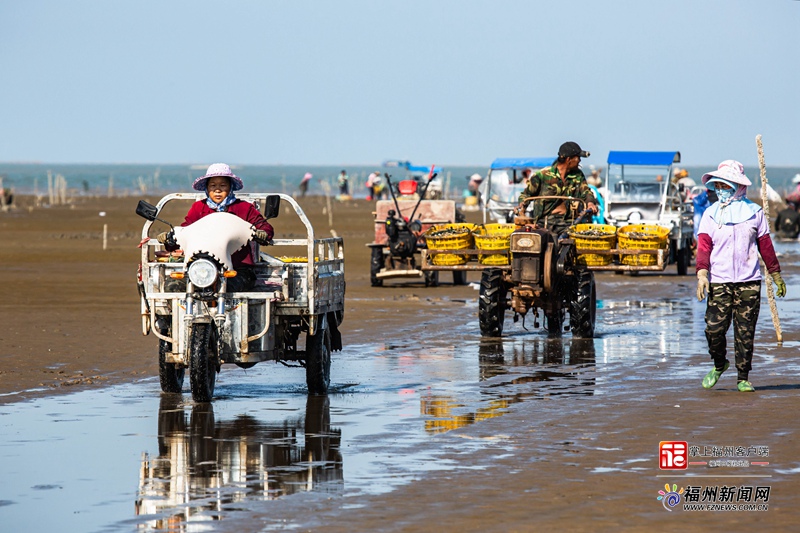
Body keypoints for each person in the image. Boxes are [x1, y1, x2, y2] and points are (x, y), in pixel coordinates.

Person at [695, 160, 786, 393]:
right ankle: (719, 364)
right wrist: (702, 274)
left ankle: (743, 377)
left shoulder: (754, 213)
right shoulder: (710, 214)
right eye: (718, 186)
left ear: (738, 186)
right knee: (713, 329)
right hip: (719, 281)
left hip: (748, 282)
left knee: (744, 331)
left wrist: (775, 275)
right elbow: (704, 246)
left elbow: (765, 246)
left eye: (726, 186)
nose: (721, 190)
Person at [157, 163, 274, 292]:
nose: (217, 190)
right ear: (207, 188)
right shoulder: (199, 208)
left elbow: (264, 226)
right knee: (172, 287)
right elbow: (185, 232)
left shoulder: (244, 208)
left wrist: (262, 233)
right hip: (201, 267)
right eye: (213, 186)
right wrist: (170, 239)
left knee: (228, 288)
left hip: (238, 269)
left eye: (223, 185)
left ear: (230, 187)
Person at [518, 141, 598, 235]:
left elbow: (586, 192)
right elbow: (525, 195)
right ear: (569, 160)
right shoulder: (542, 175)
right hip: (543, 223)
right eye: (578, 157)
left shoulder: (578, 175)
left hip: (569, 223)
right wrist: (522, 211)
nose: (580, 160)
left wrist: (590, 203)